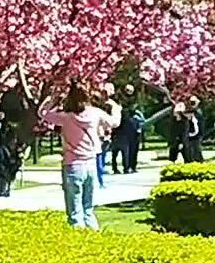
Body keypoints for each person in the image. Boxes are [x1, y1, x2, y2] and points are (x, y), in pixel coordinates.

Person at [39, 82, 107, 229]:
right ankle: (94, 236)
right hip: (91, 164)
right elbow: (114, 123)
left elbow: (42, 113)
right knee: (88, 209)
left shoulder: (66, 118)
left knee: (75, 213)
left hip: (73, 165)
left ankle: (77, 240)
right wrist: (117, 110)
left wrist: (52, 99)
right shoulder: (96, 113)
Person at [95, 83, 123, 188]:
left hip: (104, 135)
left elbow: (114, 121)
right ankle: (98, 180)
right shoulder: (95, 104)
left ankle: (99, 180)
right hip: (97, 134)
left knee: (100, 156)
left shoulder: (111, 105)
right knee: (98, 157)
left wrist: (106, 130)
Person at [114, 84, 144, 174]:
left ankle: (133, 166)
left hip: (134, 128)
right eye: (127, 90)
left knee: (134, 148)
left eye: (131, 90)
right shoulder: (121, 101)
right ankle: (126, 167)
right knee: (125, 149)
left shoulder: (136, 101)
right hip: (124, 128)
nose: (129, 92)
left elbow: (140, 115)